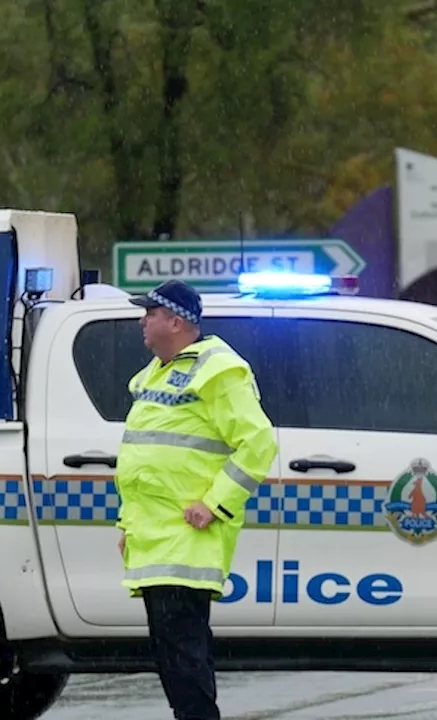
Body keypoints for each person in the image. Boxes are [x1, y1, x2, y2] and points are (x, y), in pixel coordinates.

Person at [114, 278, 278, 720]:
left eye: (150, 312)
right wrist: (127, 525)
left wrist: (215, 504)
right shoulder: (156, 374)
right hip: (157, 538)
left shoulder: (217, 369)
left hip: (187, 537)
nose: (142, 320)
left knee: (183, 657)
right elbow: (145, 463)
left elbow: (258, 444)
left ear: (176, 320)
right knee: (175, 657)